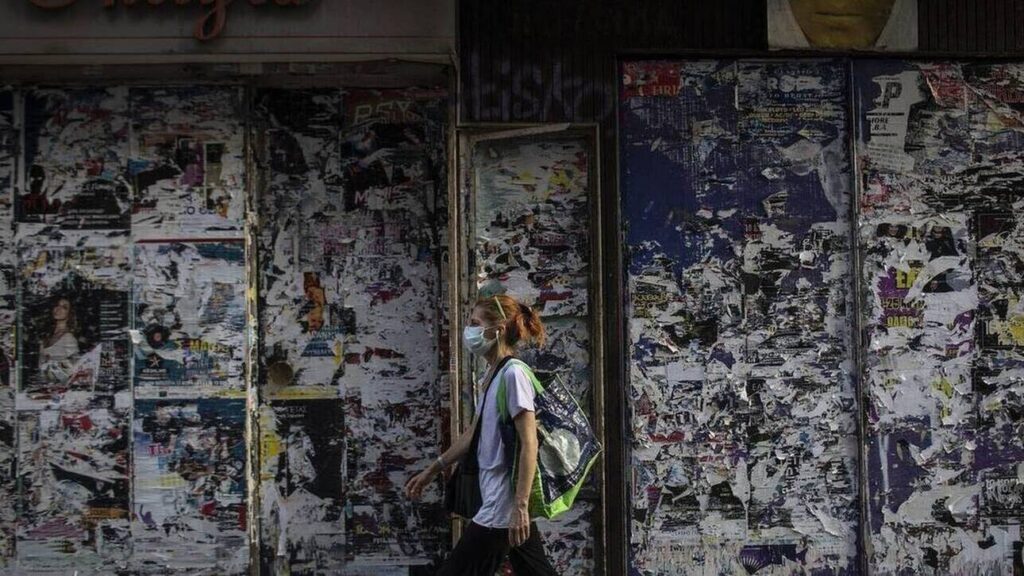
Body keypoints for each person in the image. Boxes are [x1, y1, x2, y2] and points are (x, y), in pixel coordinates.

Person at [404, 294, 558, 576]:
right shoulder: (492, 376)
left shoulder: (513, 375)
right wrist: (432, 470)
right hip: (498, 499)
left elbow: (529, 442)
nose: (469, 330)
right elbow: (472, 435)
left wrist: (520, 506)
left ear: (497, 330)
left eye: (475, 323)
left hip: (502, 505)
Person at [39, 296, 80, 382]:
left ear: (70, 313)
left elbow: (74, 368)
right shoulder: (47, 335)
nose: (58, 309)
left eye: (64, 307)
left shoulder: (69, 338)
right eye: (57, 305)